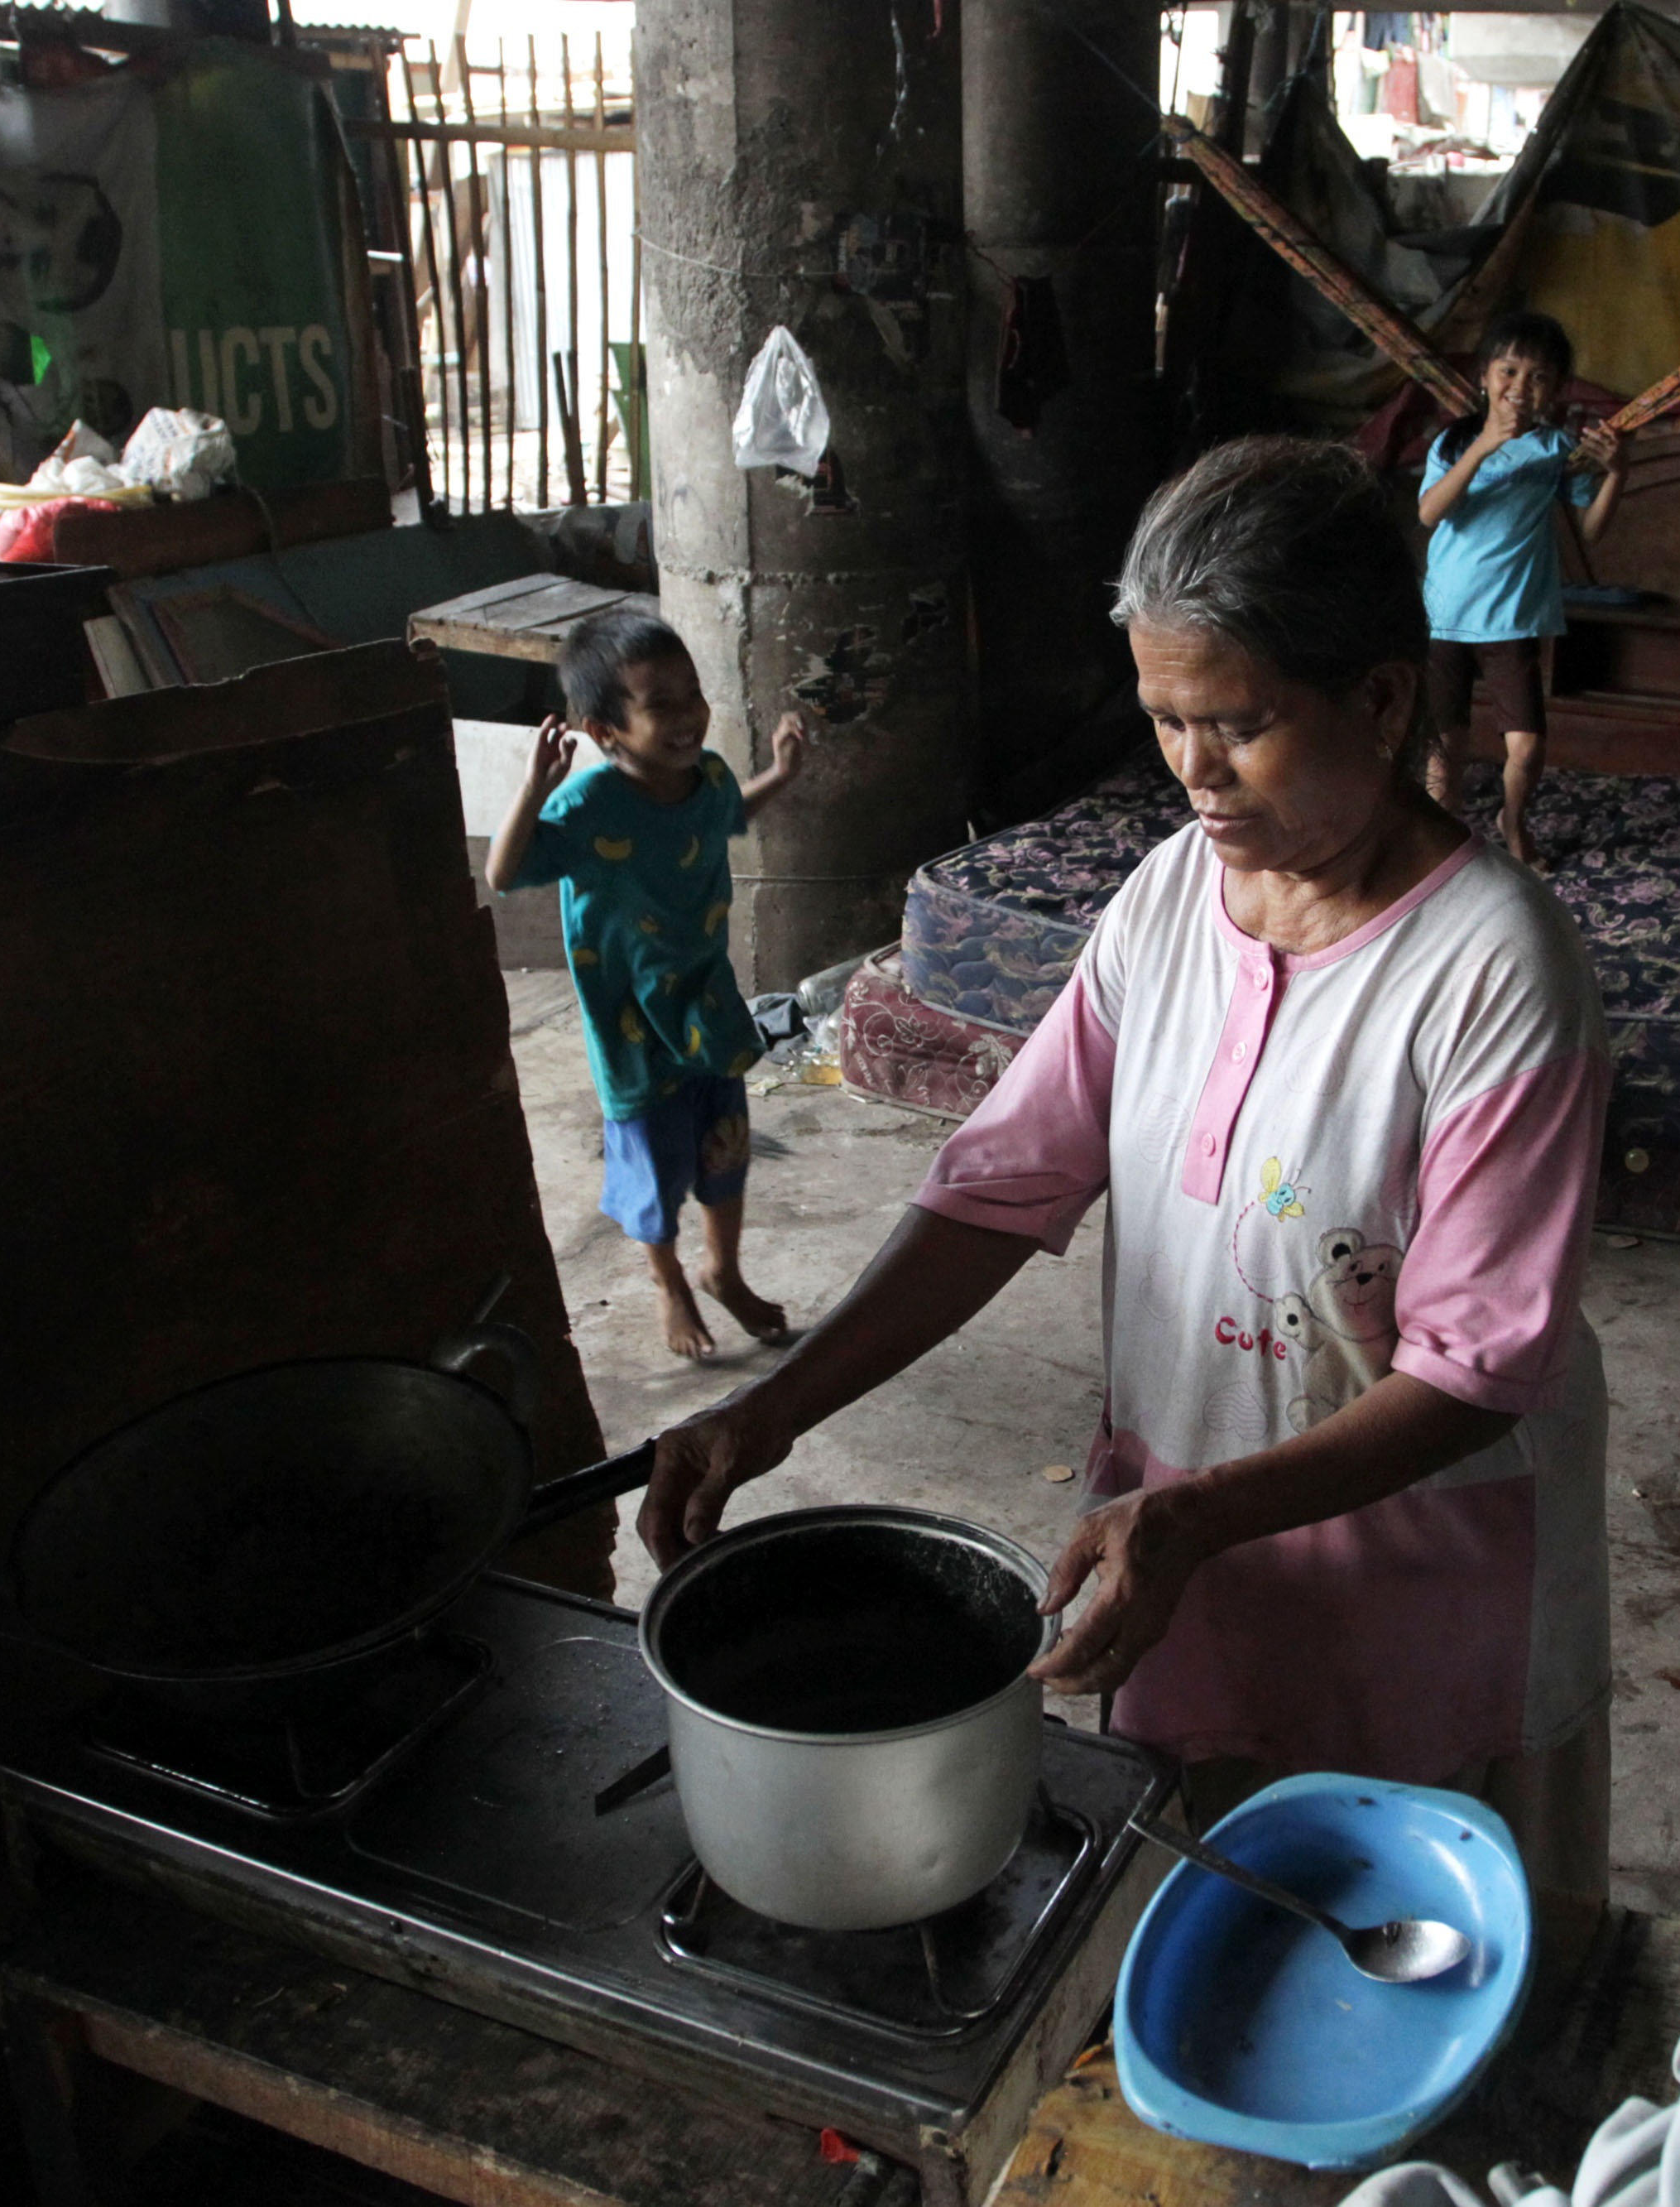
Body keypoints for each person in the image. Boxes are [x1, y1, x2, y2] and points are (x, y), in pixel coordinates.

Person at [632, 436, 1618, 1965]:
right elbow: (998, 1185)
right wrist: (781, 1407)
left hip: (1422, 1584)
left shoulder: (1494, 972)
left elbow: (1477, 1370)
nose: (1194, 774)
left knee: (1430, 1966)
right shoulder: (1171, 900)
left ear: (1378, 696)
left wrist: (1194, 1519)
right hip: (1190, 1546)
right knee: (1222, 1938)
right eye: (1165, 723)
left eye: (1238, 726)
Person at [486, 609, 807, 1361]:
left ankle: (723, 1271)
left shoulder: (709, 778)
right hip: (629, 1025)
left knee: (725, 1145)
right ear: (604, 731)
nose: (689, 713)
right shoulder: (585, 807)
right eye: (659, 703)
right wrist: (534, 788)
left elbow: (730, 813)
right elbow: (504, 874)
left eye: (691, 692)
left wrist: (781, 776)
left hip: (706, 999)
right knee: (653, 1170)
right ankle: (670, 1281)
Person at [1415, 310, 1628, 872]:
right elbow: (1430, 512)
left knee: (1527, 744)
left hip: (1513, 617)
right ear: (1484, 376)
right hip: (1444, 616)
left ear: (1555, 390)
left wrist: (1615, 477)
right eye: (1509, 371)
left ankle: (1513, 820)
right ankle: (1445, 846)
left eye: (1539, 377)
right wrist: (1483, 446)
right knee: (1445, 748)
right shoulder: (1455, 440)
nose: (1521, 387)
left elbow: (1591, 530)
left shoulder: (1557, 448)